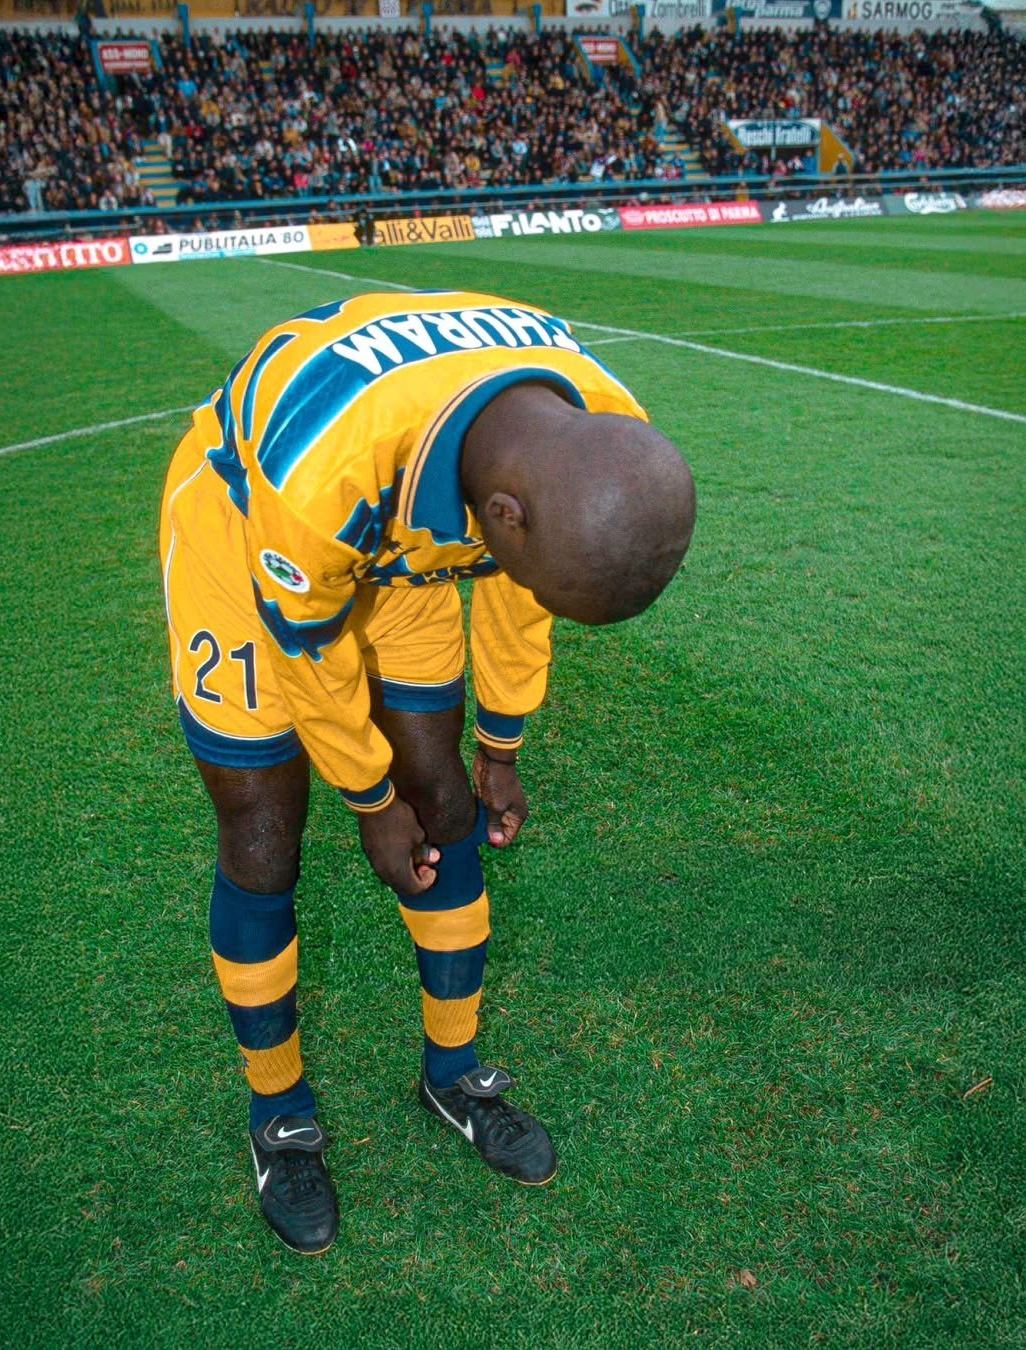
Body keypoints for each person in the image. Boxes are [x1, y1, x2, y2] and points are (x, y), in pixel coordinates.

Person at [159, 289, 696, 1255]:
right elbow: (308, 654)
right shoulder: (319, 469)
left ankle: (452, 1074)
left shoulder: (600, 427)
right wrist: (369, 799)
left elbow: (522, 583)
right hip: (253, 543)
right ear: (501, 515)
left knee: (444, 798)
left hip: (407, 536)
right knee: (263, 831)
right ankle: (278, 1113)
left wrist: (502, 745)